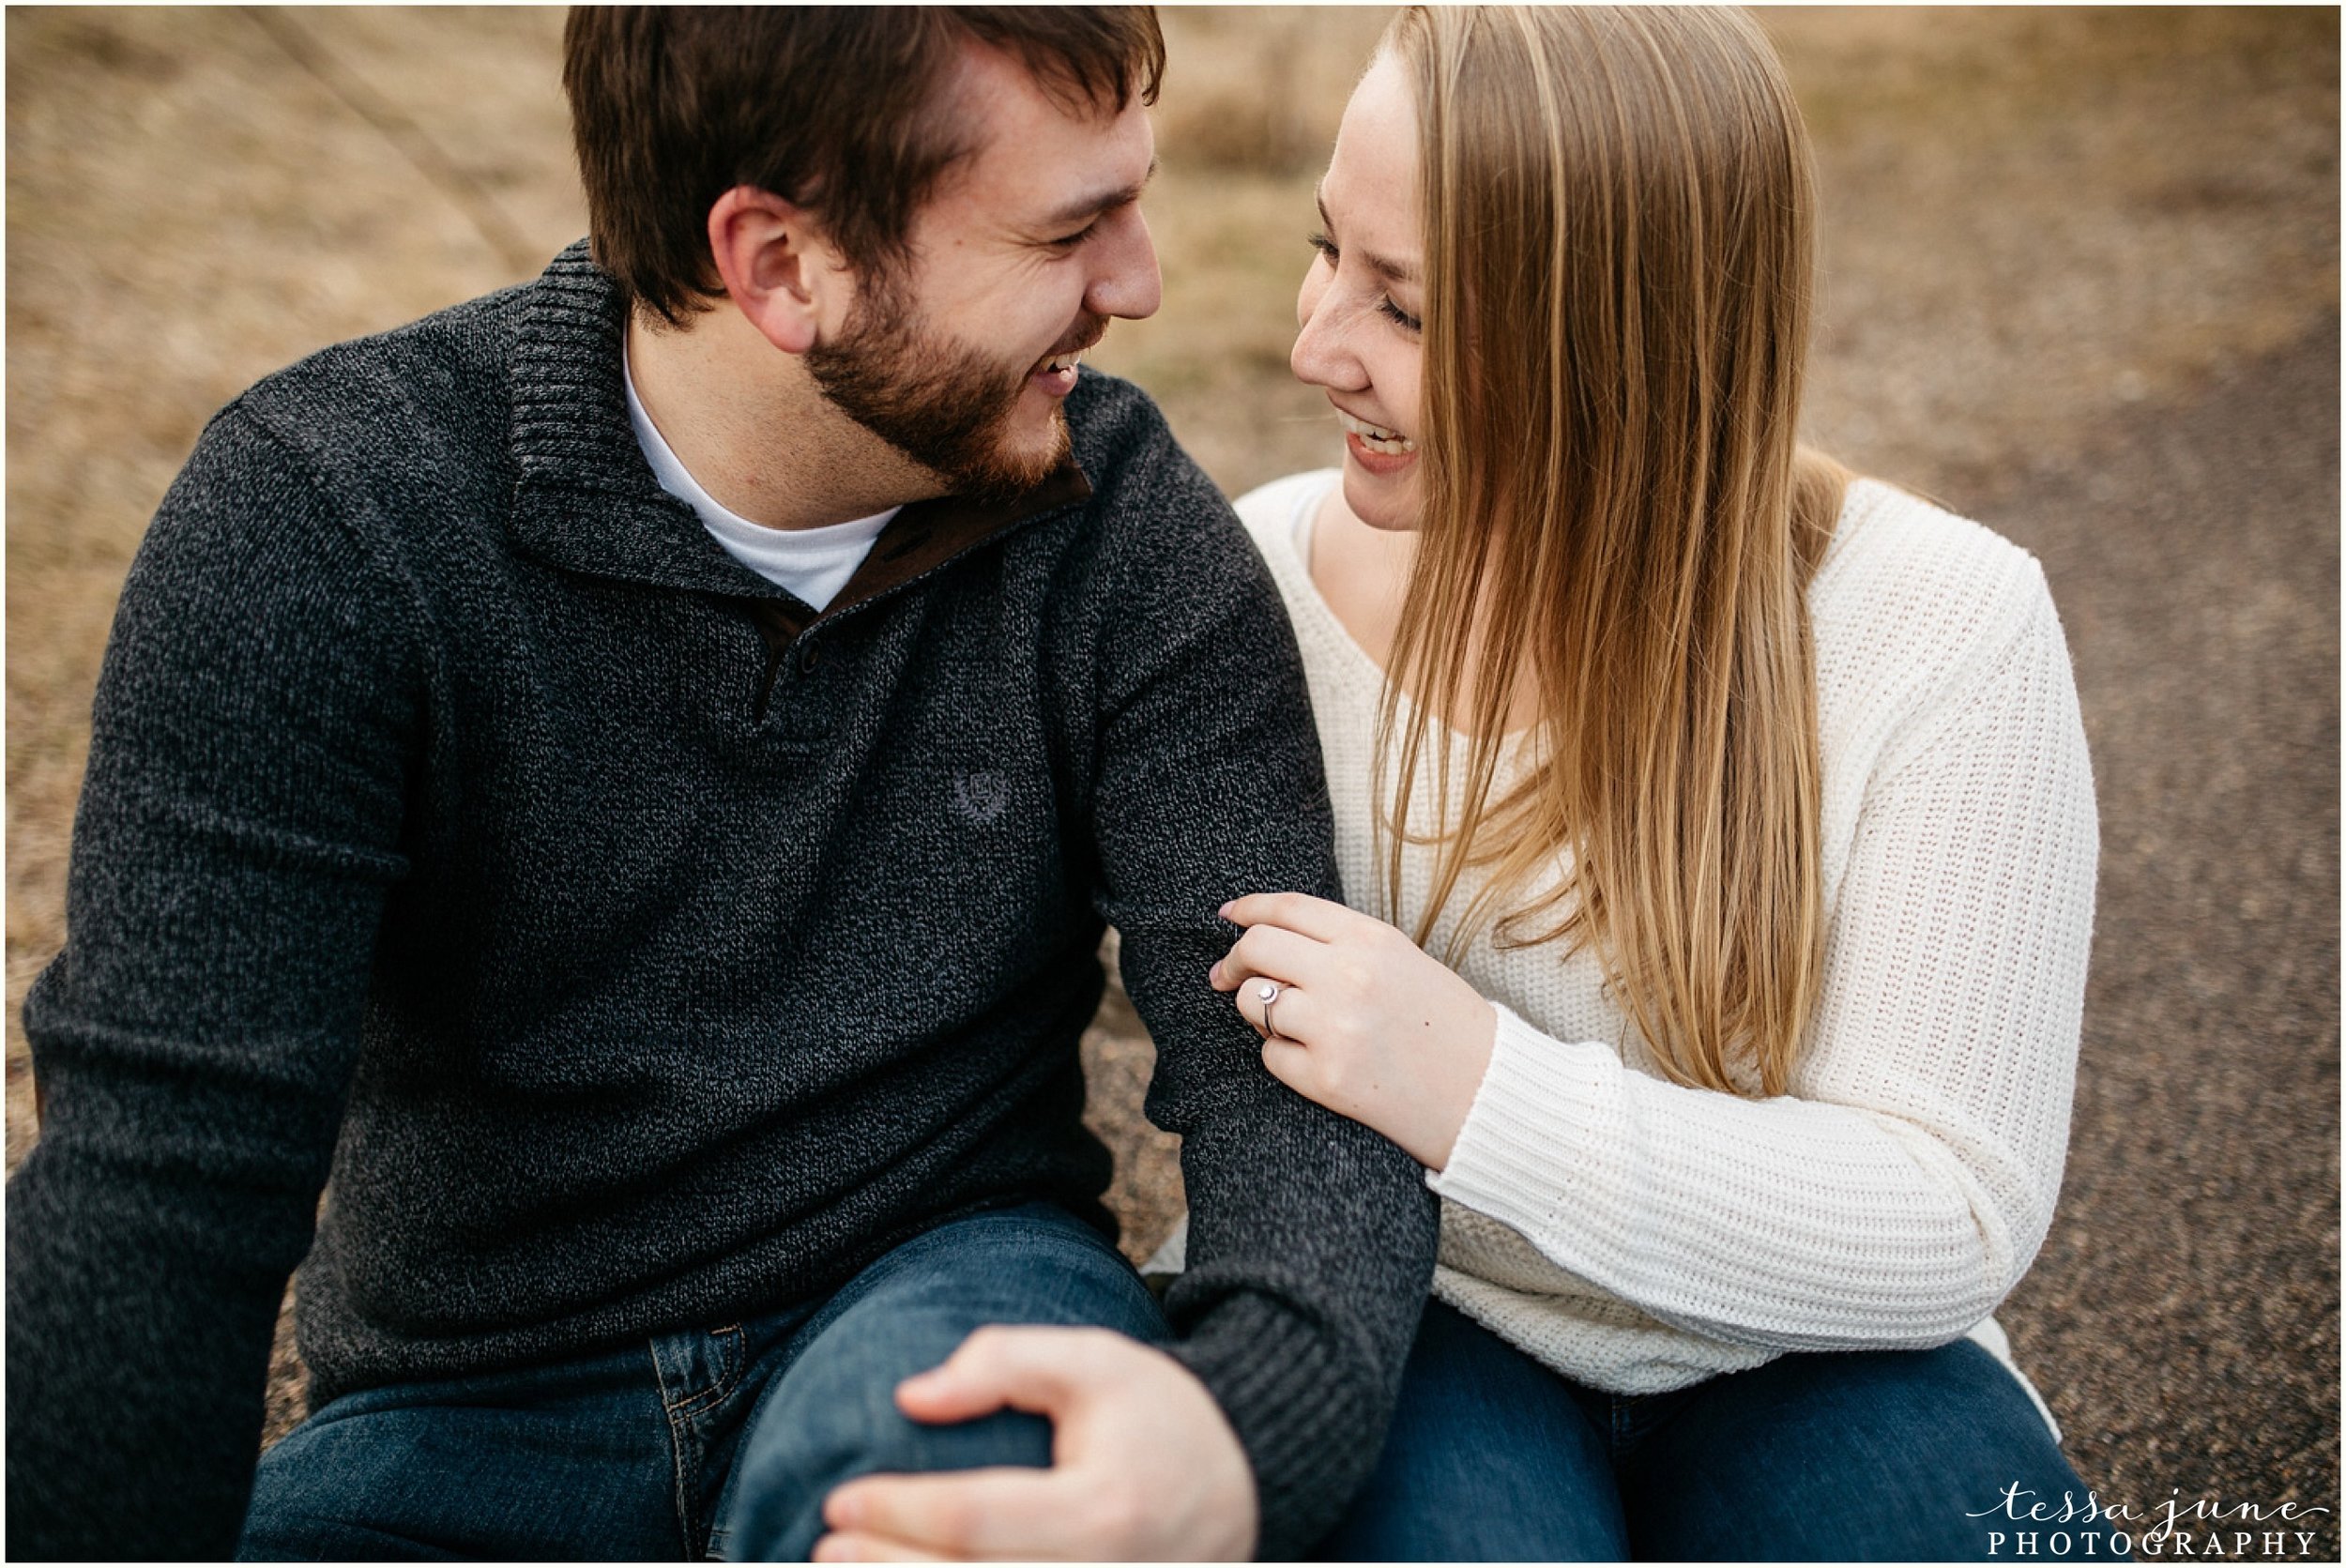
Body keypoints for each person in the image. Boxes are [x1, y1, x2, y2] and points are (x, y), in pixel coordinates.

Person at [3, 8, 1439, 1560]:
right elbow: (166, 1188)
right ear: (779, 267)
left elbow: (1287, 1070)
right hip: (469, 1406)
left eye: (1136, 201)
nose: (1140, 284)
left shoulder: (1118, 522)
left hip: (941, 1314)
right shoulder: (328, 528)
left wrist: (1239, 1435)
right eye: (1069, 229)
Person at [1193, 7, 2126, 1560]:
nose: (1313, 343)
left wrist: (1483, 1089)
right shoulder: (1253, 587)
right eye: (1325, 250)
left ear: (1620, 335)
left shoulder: (1945, 624)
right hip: (1419, 1325)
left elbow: (1950, 1209)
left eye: (1405, 310)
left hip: (1822, 1355)